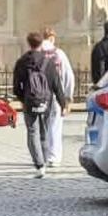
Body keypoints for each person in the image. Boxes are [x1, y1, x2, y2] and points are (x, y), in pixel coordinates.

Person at [11, 32, 60, 177]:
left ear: (29, 43)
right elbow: (56, 84)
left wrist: (23, 98)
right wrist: (63, 102)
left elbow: (16, 87)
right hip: (46, 101)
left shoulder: (22, 62)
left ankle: (39, 165)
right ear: (41, 44)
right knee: (44, 131)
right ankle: (44, 159)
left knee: (32, 132)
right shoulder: (49, 62)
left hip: (30, 101)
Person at [42, 28, 75, 165]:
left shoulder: (35, 53)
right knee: (55, 126)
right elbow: (69, 76)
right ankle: (53, 157)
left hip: (39, 95)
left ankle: (42, 155)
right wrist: (68, 97)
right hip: (56, 95)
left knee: (42, 126)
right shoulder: (59, 54)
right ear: (52, 38)